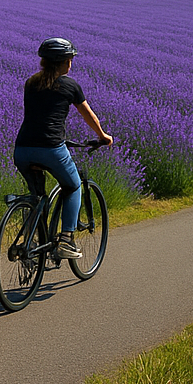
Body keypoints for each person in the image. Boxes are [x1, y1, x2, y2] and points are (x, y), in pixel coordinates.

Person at [12, 37, 112, 259]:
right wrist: (102, 136)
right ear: (63, 61)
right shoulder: (70, 85)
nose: (72, 63)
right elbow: (88, 114)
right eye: (70, 59)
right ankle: (66, 239)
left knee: (37, 197)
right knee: (73, 186)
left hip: (22, 149)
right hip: (51, 149)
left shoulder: (31, 82)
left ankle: (30, 241)